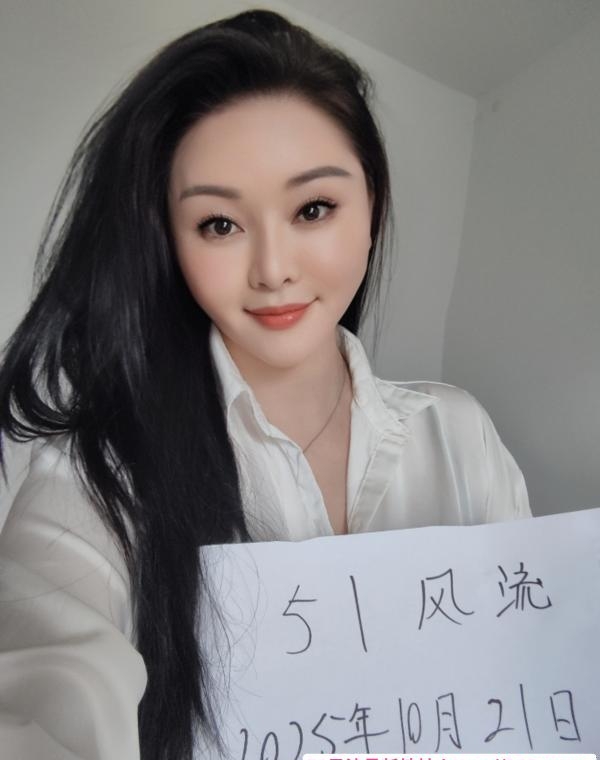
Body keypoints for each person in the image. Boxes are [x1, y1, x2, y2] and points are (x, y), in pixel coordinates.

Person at [0, 9, 531, 760]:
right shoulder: (94, 479)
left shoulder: (459, 436)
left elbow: (528, 669)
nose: (273, 269)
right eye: (219, 224)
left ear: (373, 209)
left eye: (314, 208)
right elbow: (46, 700)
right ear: (169, 242)